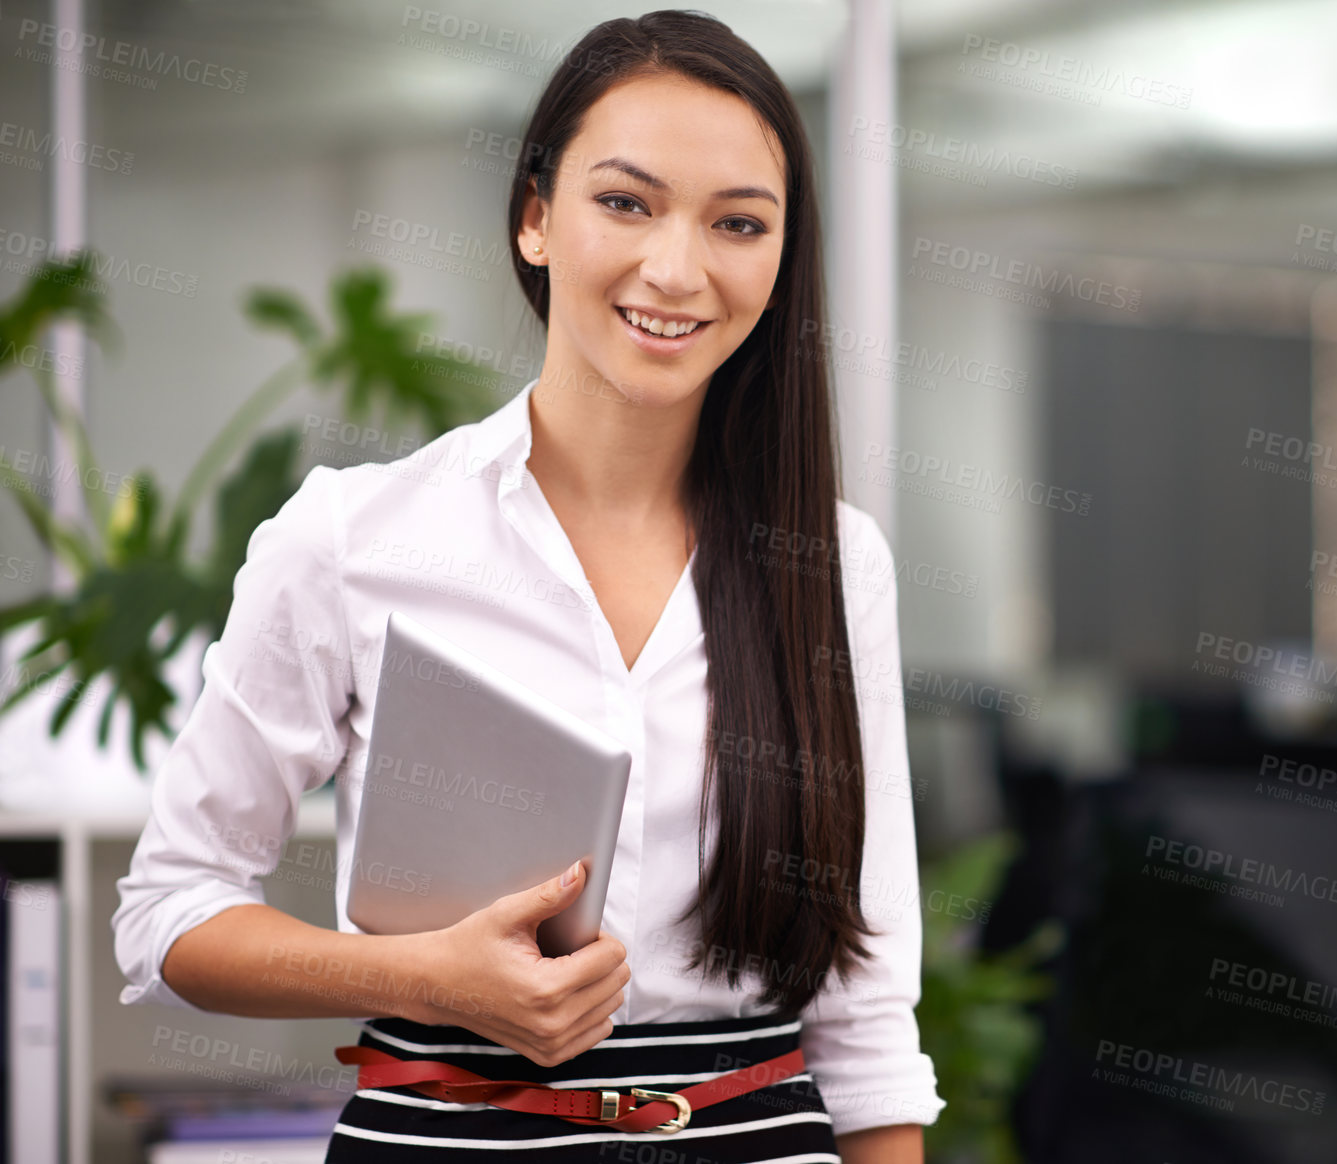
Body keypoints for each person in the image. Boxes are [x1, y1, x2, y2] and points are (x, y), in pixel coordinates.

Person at [112, 10, 944, 1161]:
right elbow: (168, 917)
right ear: (536, 217)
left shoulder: (834, 566)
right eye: (626, 201)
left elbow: (864, 1015)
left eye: (738, 223)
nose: (677, 267)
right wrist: (419, 976)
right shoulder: (354, 538)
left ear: (780, 258)